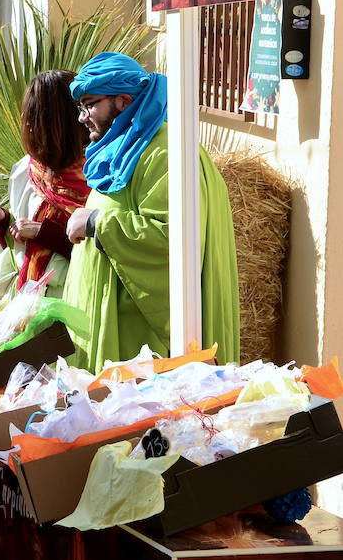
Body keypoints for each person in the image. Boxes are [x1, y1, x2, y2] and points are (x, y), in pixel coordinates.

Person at [62, 52, 239, 370]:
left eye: (89, 104)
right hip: (115, 326)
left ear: (124, 101)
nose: (81, 117)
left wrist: (97, 223)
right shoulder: (127, 147)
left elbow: (175, 241)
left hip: (143, 342)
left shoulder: (166, 152)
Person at [0, 71, 90, 297]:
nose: (30, 126)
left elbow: (105, 253)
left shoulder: (101, 173)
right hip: (32, 305)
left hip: (77, 306)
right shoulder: (26, 170)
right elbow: (22, 247)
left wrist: (45, 233)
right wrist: (2, 224)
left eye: (35, 118)